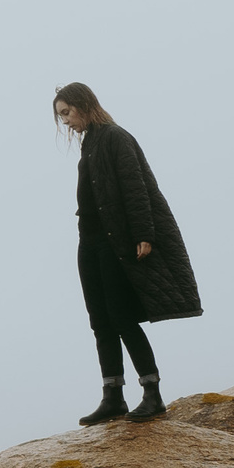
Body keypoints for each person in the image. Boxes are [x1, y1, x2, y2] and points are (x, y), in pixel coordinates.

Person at [54, 82, 202, 425]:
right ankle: (113, 397)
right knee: (100, 322)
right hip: (89, 241)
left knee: (121, 318)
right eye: (60, 116)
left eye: (67, 113)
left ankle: (152, 394)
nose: (65, 122)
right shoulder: (90, 142)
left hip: (114, 240)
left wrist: (144, 234)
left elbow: (135, 187)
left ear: (83, 105)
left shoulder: (115, 137)